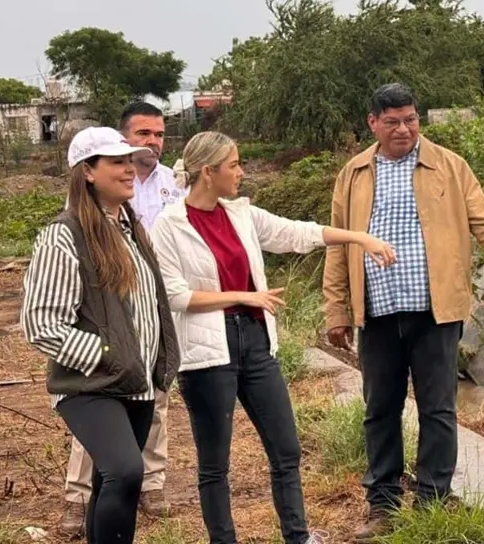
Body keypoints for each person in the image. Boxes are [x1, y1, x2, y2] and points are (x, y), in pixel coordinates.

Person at [321, 83, 484, 541]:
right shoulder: (354, 174)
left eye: (411, 119)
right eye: (393, 121)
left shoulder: (450, 167)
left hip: (436, 310)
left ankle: (433, 498)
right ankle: (382, 504)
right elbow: (339, 245)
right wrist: (336, 309)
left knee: (438, 408)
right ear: (372, 123)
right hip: (376, 312)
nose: (404, 129)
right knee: (380, 408)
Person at [149, 131, 396, 544]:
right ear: (208, 172)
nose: (241, 172)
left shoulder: (240, 213)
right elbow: (175, 295)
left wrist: (358, 238)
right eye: (234, 165)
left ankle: (297, 537)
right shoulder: (169, 225)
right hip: (208, 350)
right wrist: (246, 295)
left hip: (256, 341)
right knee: (215, 463)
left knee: (286, 450)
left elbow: (297, 233)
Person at [21, 126, 181, 544]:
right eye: (117, 162)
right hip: (91, 383)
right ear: (87, 172)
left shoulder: (130, 230)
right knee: (126, 471)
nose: (130, 169)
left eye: (131, 160)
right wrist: (105, 353)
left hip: (136, 383)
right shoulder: (64, 235)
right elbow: (41, 323)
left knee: (113, 483)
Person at [60, 102, 185, 536]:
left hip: (147, 340)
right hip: (104, 350)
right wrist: (104, 351)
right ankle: (76, 500)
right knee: (113, 448)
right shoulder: (75, 221)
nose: (151, 144)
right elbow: (42, 321)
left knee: (143, 428)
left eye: (159, 135)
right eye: (142, 135)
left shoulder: (161, 195)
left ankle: (151, 487)